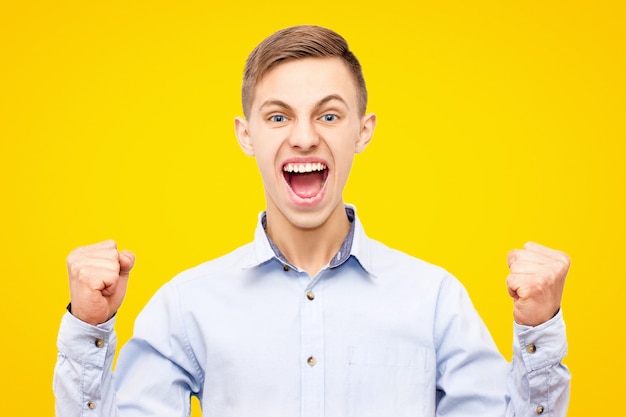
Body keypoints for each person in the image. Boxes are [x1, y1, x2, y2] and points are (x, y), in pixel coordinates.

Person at [54, 25, 571, 417]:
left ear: (362, 132)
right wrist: (89, 329)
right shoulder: (188, 304)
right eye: (278, 116)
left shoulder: (434, 299)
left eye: (328, 115)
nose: (303, 137)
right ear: (247, 135)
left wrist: (538, 332)